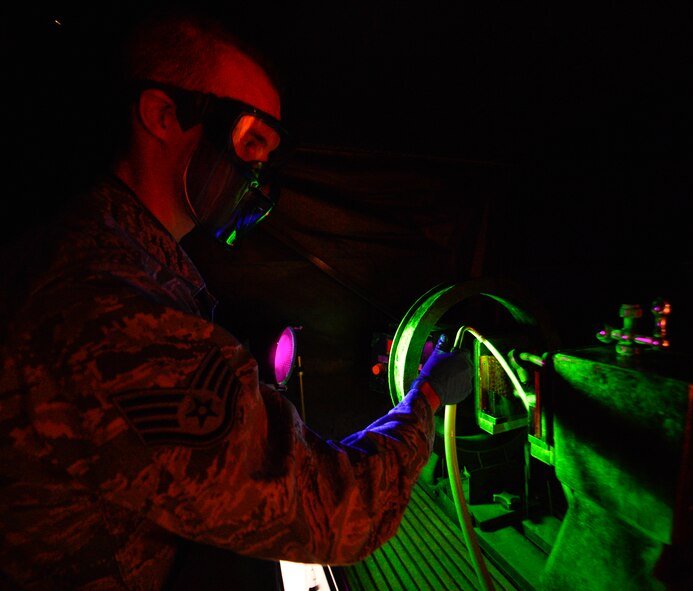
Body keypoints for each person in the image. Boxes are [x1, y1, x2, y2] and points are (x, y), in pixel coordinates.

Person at [0, 7, 473, 590]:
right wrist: (428, 393)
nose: (259, 171)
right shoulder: (112, 307)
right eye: (252, 140)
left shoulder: (108, 251)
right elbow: (337, 512)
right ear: (163, 115)